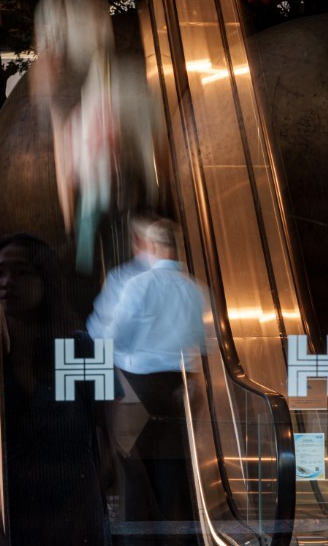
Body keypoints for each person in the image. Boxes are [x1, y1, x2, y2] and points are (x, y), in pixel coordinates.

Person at [86, 215, 205, 526]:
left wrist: (98, 332)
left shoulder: (139, 284)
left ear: (151, 246)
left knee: (133, 474)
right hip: (179, 386)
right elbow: (202, 343)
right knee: (171, 473)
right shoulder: (194, 289)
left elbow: (114, 338)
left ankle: (138, 537)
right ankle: (174, 536)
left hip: (136, 389)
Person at [0, 234, 109, 545]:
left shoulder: (80, 345)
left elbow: (84, 431)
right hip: (9, 504)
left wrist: (23, 369)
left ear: (46, 281)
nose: (6, 282)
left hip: (69, 506)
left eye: (22, 271)